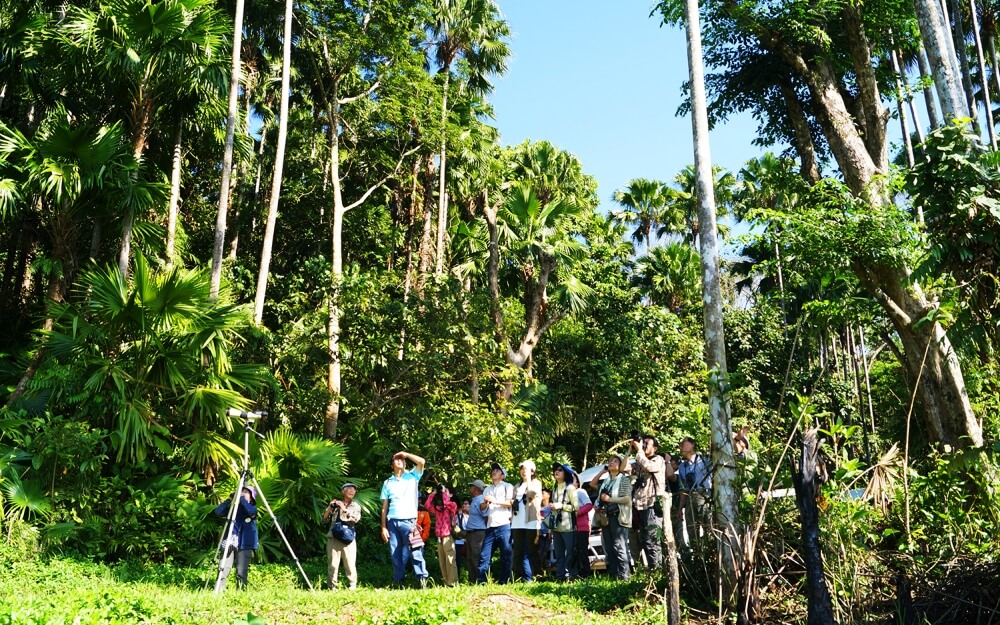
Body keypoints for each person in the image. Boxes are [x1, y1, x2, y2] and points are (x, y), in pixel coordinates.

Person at [380, 450, 430, 588]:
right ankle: (399, 582)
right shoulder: (387, 482)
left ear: (405, 462)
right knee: (395, 554)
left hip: (409, 521)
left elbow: (421, 462)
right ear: (392, 465)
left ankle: (422, 581)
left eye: (402, 459)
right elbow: (384, 506)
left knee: (416, 552)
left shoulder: (413, 476)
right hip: (392, 522)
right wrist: (383, 527)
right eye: (396, 459)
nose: (400, 460)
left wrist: (406, 454)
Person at [590, 454, 632, 580]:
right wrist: (598, 506)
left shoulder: (624, 479)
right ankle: (614, 576)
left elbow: (627, 498)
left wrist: (610, 499)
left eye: (615, 461)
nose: (612, 463)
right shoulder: (606, 481)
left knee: (619, 546)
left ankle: (625, 576)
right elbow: (593, 485)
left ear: (621, 466)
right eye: (610, 461)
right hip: (605, 516)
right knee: (608, 547)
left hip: (618, 516)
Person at [631, 434, 670, 569]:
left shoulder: (658, 460)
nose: (644, 445)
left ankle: (658, 570)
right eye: (643, 443)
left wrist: (639, 451)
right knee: (645, 540)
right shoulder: (639, 460)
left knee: (653, 540)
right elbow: (624, 468)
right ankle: (653, 569)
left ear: (655, 448)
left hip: (653, 505)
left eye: (647, 443)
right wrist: (630, 450)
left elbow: (649, 467)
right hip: (640, 506)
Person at [213, 485, 258, 591]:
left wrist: (242, 499)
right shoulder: (233, 509)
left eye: (246, 492)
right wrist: (230, 499)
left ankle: (241, 592)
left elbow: (252, 512)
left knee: (241, 571)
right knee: (223, 568)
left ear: (251, 497)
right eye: (241, 491)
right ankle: (218, 592)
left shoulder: (251, 508)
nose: (242, 493)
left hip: (244, 543)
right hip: (229, 541)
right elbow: (218, 512)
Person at [477, 462, 514, 584]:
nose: (494, 472)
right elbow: (482, 508)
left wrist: (495, 501)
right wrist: (485, 502)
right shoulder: (487, 489)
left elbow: (510, 503)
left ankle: (505, 580)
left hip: (504, 525)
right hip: (490, 526)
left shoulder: (507, 486)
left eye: (498, 470)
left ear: (503, 476)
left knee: (506, 554)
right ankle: (481, 581)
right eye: (493, 470)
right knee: (484, 555)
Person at [676, 437, 712, 557]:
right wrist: (681, 507)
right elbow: (683, 488)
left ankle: (711, 552)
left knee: (708, 526)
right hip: (690, 498)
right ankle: (697, 555)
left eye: (684, 445)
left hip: (705, 495)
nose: (681, 448)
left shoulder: (704, 460)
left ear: (692, 446)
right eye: (680, 446)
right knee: (691, 528)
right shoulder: (682, 467)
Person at [322, 482, 362, 590]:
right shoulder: (336, 505)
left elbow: (355, 519)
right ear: (342, 491)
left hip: (348, 538)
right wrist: (330, 507)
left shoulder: (356, 506)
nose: (352, 491)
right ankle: (332, 586)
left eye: (354, 489)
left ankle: (352, 585)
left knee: (350, 563)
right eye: (349, 489)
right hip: (333, 537)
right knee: (333, 564)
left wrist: (344, 509)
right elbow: (324, 519)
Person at [510, 459, 542, 582]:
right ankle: (519, 578)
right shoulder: (517, 486)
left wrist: (528, 479)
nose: (523, 471)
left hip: (531, 522)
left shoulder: (536, 483)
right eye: (522, 469)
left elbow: (532, 493)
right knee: (518, 552)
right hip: (517, 522)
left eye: (526, 469)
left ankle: (538, 577)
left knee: (532, 551)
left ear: (533, 471)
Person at [549, 463, 579, 581]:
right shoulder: (555, 487)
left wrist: (560, 505)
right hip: (556, 527)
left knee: (570, 553)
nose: (557, 471)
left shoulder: (570, 488)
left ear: (565, 473)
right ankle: (560, 576)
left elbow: (576, 507)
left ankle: (572, 575)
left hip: (568, 526)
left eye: (560, 470)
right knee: (559, 553)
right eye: (555, 470)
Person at [426, 484, 459, 586]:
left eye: (447, 492)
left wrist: (444, 492)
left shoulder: (453, 505)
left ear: (451, 494)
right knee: (442, 561)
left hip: (448, 537)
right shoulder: (439, 508)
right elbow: (427, 505)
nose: (444, 494)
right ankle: (446, 582)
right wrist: (434, 493)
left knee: (450, 560)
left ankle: (453, 583)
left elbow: (447, 502)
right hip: (439, 538)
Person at [464, 480, 488, 584]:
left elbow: (486, 516)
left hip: (477, 533)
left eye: (472, 487)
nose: (470, 489)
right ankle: (472, 580)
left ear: (476, 489)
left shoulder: (480, 500)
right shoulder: (475, 500)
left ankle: (479, 580)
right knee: (470, 557)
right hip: (471, 533)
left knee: (476, 557)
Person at [572, 473, 594, 578]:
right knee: (573, 551)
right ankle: (576, 574)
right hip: (570, 527)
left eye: (573, 479)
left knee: (582, 551)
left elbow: (589, 505)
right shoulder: (566, 494)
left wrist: (577, 512)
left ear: (577, 482)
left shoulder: (580, 491)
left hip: (582, 526)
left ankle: (586, 575)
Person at [537, 488, 553, 577]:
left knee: (542, 553)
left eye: (543, 493)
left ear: (549, 495)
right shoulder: (537, 506)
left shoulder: (551, 506)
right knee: (537, 552)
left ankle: (540, 572)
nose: (541, 495)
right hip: (537, 532)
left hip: (546, 532)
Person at [455, 499, 470, 576]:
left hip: (469, 541)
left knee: (471, 560)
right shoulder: (457, 516)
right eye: (463, 504)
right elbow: (453, 525)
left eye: (466, 504)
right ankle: (458, 577)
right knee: (458, 561)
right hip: (459, 541)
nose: (464, 505)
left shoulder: (472, 516)